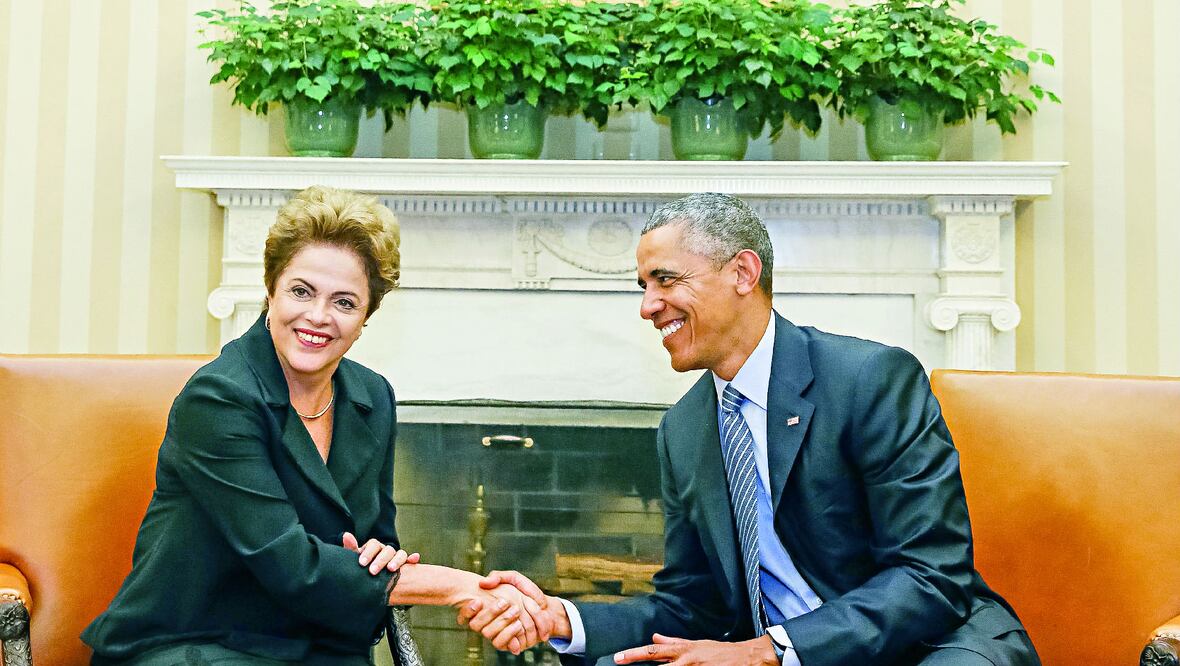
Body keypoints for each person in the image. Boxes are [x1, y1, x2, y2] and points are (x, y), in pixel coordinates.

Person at [461, 193, 1038, 665]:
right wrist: (562, 617)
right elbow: (693, 607)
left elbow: (930, 575)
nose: (647, 306)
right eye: (643, 286)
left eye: (664, 280)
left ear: (743, 272)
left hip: (925, 647)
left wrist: (773, 651)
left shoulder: (868, 379)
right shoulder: (683, 430)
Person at [82, 186, 548, 665]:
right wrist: (461, 585)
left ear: (367, 316)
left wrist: (378, 563)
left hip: (318, 644)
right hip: (195, 645)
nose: (318, 317)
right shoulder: (219, 399)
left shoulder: (372, 398)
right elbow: (290, 565)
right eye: (301, 292)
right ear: (270, 290)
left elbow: (379, 548)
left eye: (345, 302)